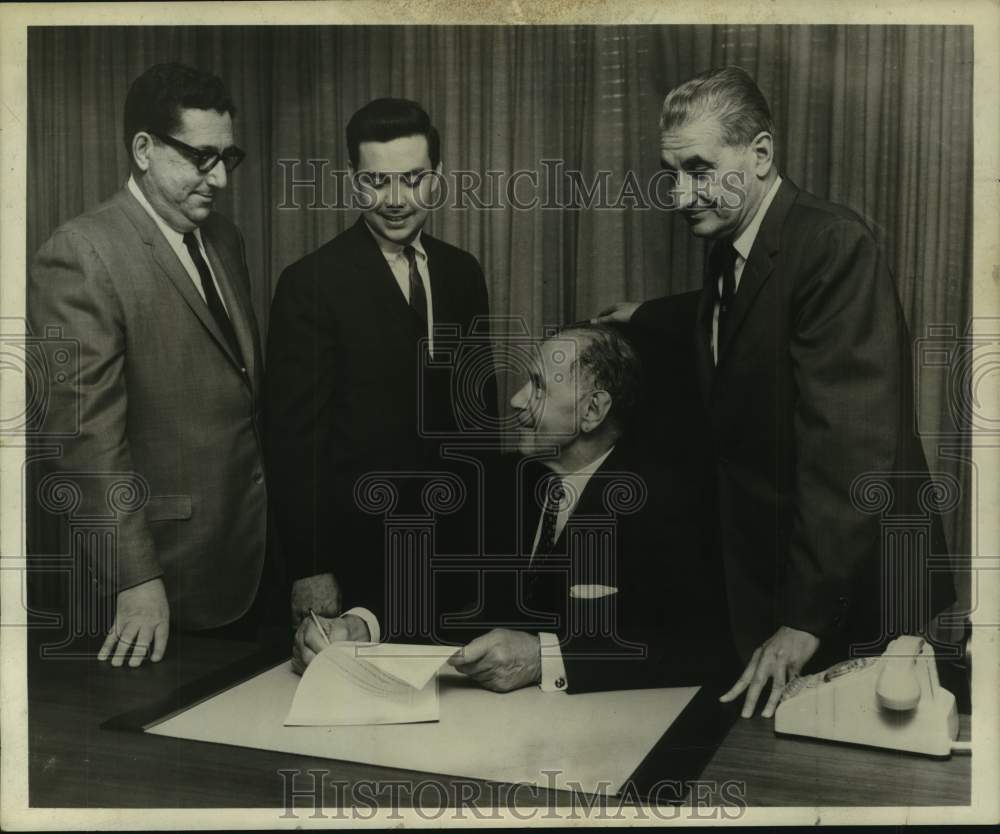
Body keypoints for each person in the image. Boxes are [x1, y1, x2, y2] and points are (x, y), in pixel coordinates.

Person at [596, 66, 954, 717]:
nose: (680, 195)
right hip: (789, 582)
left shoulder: (833, 244)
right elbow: (740, 321)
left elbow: (850, 451)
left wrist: (803, 619)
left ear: (760, 155)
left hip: (855, 596)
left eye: (699, 170)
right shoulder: (737, 242)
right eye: (672, 173)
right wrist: (642, 313)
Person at [294, 324, 736, 692]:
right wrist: (360, 625)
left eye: (539, 386)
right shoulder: (507, 481)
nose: (516, 400)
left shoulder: (662, 502)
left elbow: (698, 647)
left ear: (593, 411)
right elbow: (437, 591)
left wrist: (545, 659)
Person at [29, 63, 268, 667]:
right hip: (154, 585)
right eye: (200, 157)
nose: (219, 179)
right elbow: (84, 439)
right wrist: (134, 579)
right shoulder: (82, 253)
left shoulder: (225, 240)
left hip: (245, 561)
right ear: (144, 149)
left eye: (227, 159)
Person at [267, 98, 496, 652]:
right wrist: (313, 565)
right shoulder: (309, 284)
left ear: (436, 178)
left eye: (413, 179)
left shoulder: (463, 272)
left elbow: (478, 419)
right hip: (356, 559)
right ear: (353, 182)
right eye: (376, 181)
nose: (395, 200)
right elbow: (294, 441)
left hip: (456, 556)